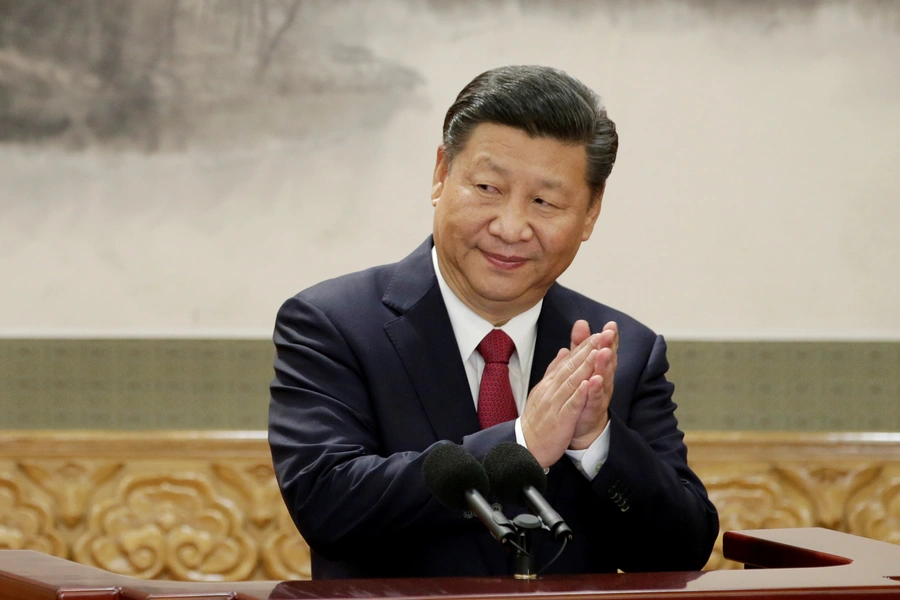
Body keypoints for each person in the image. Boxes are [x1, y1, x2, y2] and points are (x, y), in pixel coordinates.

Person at [269, 65, 719, 579]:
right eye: (487, 187)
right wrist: (522, 442)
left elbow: (683, 550)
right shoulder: (333, 324)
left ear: (591, 213)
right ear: (441, 175)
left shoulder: (621, 351)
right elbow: (328, 505)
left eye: (545, 202)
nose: (510, 227)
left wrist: (597, 442)